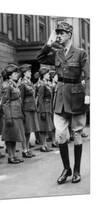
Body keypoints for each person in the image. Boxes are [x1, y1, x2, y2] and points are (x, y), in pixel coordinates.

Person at [37, 22, 90, 184]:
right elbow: (39, 58)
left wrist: (88, 94)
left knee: (77, 132)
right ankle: (66, 168)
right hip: (60, 98)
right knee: (60, 135)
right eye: (57, 32)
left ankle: (76, 170)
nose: (58, 35)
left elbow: (88, 76)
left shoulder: (80, 53)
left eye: (61, 33)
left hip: (76, 96)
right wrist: (48, 43)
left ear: (69, 35)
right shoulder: (57, 53)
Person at [0, 64, 25, 164]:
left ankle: (13, 155)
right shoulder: (6, 85)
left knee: (14, 136)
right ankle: (10, 156)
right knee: (10, 136)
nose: (17, 75)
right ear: (10, 75)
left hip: (16, 112)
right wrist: (8, 116)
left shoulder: (13, 84)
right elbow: (5, 102)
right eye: (14, 73)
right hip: (11, 113)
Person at [19, 64, 39, 158]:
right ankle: (24, 149)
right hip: (26, 109)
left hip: (31, 108)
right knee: (25, 131)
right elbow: (21, 98)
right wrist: (21, 111)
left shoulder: (29, 82)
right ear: (24, 73)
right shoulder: (23, 84)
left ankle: (27, 148)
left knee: (29, 130)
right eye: (28, 72)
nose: (30, 73)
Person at [37, 67, 54, 152]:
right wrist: (42, 111)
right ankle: (43, 145)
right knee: (43, 128)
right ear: (43, 75)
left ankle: (45, 145)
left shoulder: (46, 83)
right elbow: (40, 99)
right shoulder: (42, 85)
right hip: (43, 108)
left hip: (48, 107)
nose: (49, 75)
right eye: (47, 74)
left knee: (46, 127)